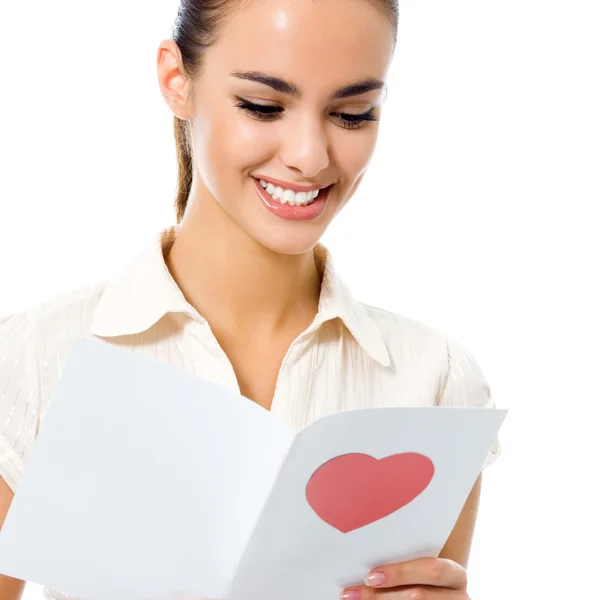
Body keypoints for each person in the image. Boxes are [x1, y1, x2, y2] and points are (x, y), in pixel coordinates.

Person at [0, 0, 501, 599]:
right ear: (176, 80)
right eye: (263, 107)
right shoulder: (36, 359)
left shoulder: (436, 380)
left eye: (353, 113)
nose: (310, 155)